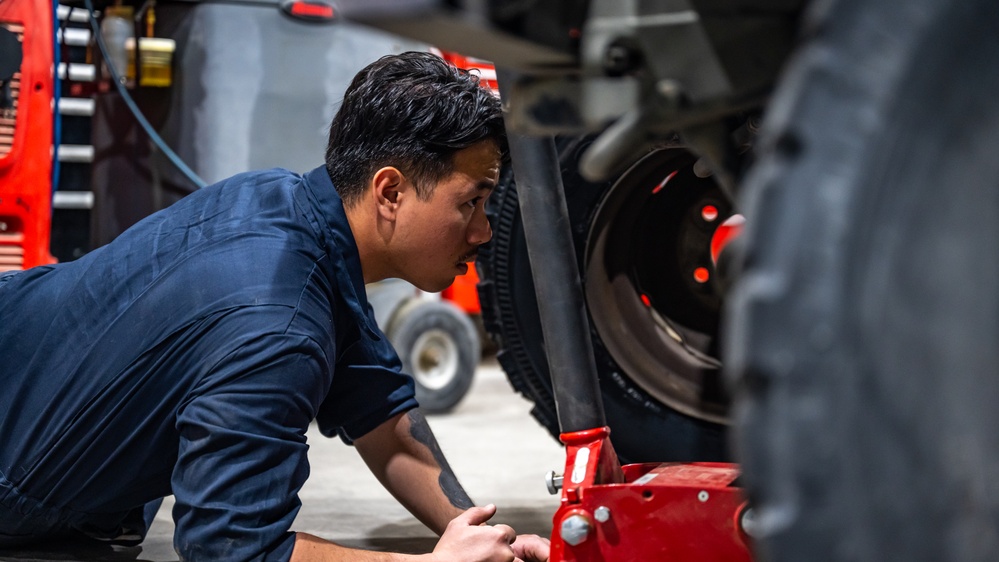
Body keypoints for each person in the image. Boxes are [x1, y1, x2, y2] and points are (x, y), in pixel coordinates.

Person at [0, 51, 550, 562]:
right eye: (471, 202)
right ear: (389, 192)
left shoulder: (284, 203)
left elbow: (378, 410)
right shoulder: (280, 331)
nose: (484, 230)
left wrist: (476, 534)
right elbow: (234, 548)